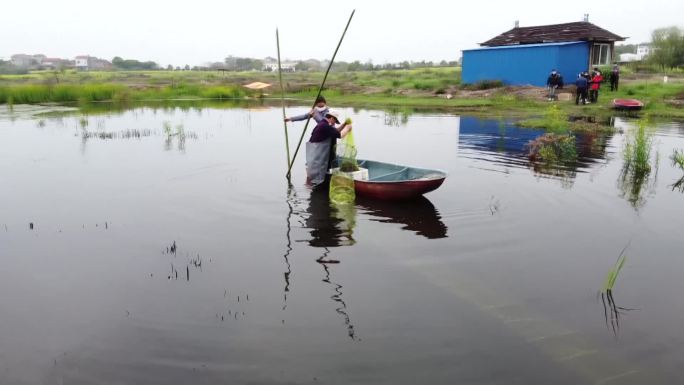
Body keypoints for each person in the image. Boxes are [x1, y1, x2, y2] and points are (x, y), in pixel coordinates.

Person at [305, 110, 352, 187]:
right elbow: (340, 135)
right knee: (319, 178)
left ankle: (316, 180)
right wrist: (347, 128)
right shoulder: (325, 126)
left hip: (316, 154)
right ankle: (319, 183)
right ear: (331, 118)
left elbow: (335, 131)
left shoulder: (323, 124)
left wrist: (344, 125)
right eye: (335, 121)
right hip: (319, 155)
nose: (334, 123)